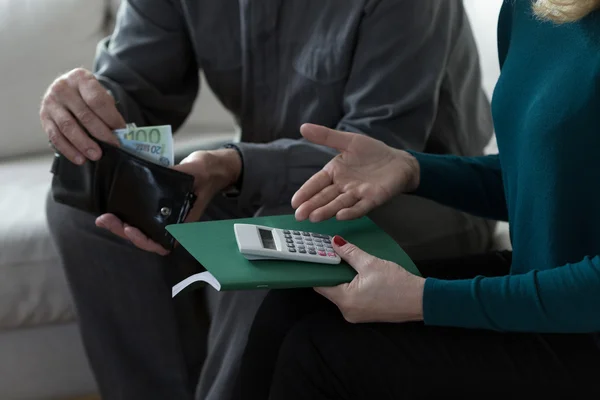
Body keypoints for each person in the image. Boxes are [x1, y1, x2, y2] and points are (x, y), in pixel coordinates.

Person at [40, 1, 494, 399]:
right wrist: (86, 107)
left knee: (263, 248)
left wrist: (232, 166)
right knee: (83, 210)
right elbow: (136, 88)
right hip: (266, 178)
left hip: (424, 192)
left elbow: (375, 149)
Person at [236, 0, 600, 398]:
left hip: (583, 325)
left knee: (320, 354)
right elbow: (547, 181)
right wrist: (412, 168)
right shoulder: (532, 9)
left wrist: (424, 300)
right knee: (291, 306)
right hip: (548, 291)